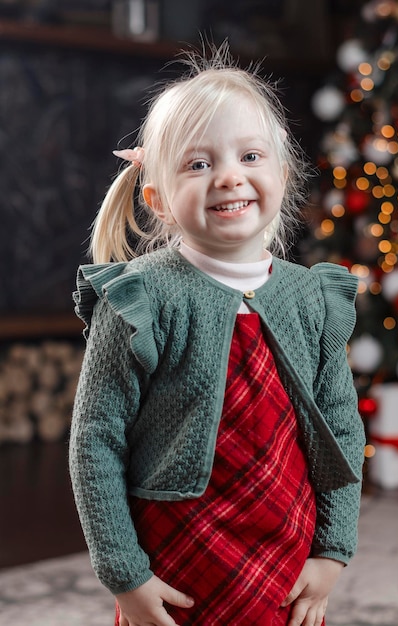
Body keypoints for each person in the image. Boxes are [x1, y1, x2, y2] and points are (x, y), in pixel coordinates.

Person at [69, 43, 365, 626]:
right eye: (198, 164)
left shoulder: (311, 297)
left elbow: (341, 425)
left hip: (284, 540)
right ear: (157, 198)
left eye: (250, 155)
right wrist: (125, 574)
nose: (230, 176)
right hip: (175, 548)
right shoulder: (141, 299)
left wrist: (333, 549)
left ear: (282, 175)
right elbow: (94, 443)